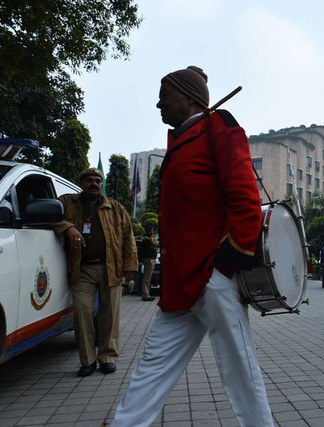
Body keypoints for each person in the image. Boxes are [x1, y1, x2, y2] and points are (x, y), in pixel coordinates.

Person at [112, 66, 273, 426]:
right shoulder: (184, 139)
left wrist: (225, 266)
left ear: (189, 97)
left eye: (165, 95)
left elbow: (246, 199)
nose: (158, 103)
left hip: (214, 276)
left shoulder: (218, 127)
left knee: (241, 374)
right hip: (181, 284)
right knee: (152, 367)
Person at [52, 167, 137, 377]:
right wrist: (68, 227)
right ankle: (87, 361)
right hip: (81, 269)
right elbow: (50, 217)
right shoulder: (67, 202)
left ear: (102, 184)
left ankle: (107, 358)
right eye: (89, 180)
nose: (94, 184)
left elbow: (128, 238)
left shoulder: (115, 207)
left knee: (110, 315)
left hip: (111, 268)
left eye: (98, 181)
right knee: (82, 313)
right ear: (82, 183)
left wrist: (130, 268)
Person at [138, 227, 158, 301]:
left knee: (148, 279)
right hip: (148, 260)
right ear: (147, 231)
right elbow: (153, 247)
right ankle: (145, 295)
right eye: (150, 231)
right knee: (146, 279)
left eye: (152, 230)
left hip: (151, 260)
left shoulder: (150, 239)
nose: (152, 232)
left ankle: (147, 294)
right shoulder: (147, 240)